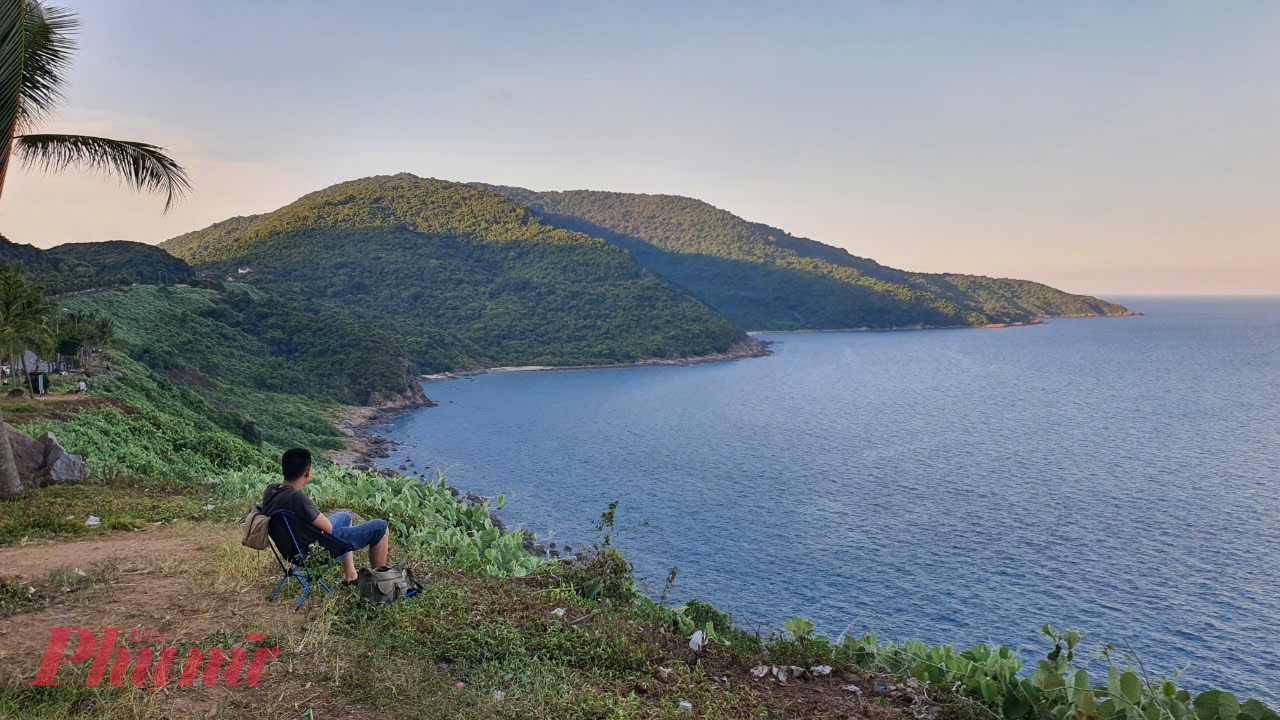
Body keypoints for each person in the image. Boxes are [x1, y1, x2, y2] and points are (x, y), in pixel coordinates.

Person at [261, 448, 390, 583]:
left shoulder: (271, 490)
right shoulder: (296, 499)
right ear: (307, 473)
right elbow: (327, 527)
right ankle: (379, 585)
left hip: (292, 549)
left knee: (344, 516)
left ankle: (351, 576)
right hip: (314, 551)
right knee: (381, 527)